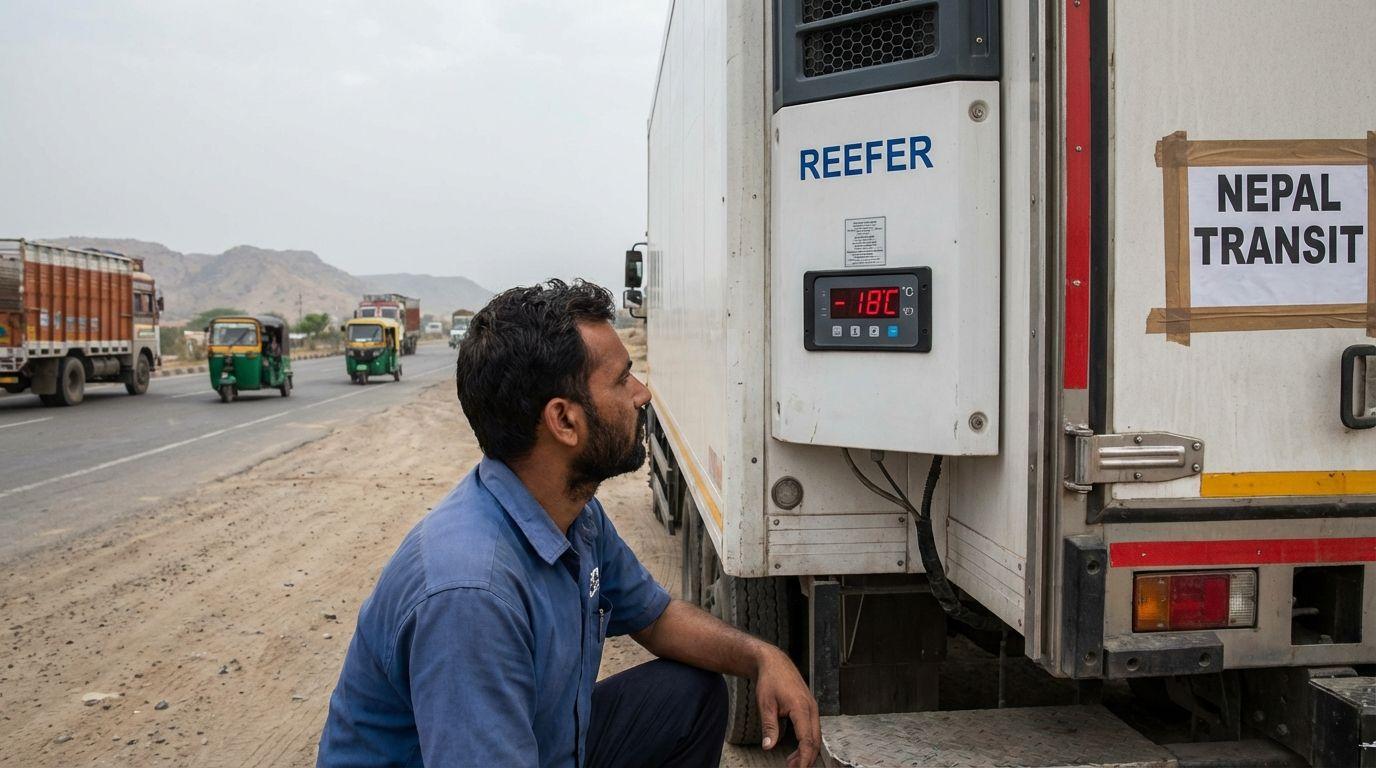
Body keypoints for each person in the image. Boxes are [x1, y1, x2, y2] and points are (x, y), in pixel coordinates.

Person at [317, 279, 820, 768]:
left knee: (688, 696)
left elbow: (656, 618)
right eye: (623, 379)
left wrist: (761, 657)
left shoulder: (573, 515)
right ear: (563, 421)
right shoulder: (471, 593)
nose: (642, 394)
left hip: (540, 745)